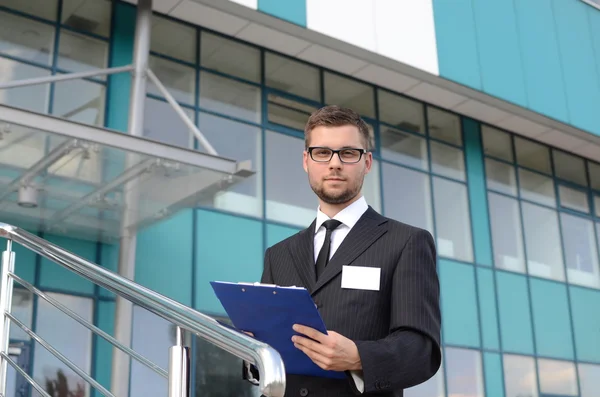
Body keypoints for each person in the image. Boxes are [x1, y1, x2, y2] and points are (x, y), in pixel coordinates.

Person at [244, 105, 441, 397]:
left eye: (348, 153)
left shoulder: (406, 242)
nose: (334, 163)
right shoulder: (278, 254)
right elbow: (268, 362)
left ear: (367, 162)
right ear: (306, 161)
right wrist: (252, 349)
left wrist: (360, 356)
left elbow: (421, 350)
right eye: (322, 153)